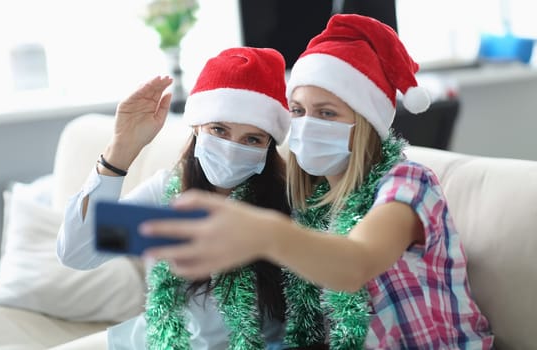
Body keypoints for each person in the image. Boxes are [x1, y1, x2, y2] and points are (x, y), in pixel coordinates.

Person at [139, 14, 494, 349]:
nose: (307, 124)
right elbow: (103, 235)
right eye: (297, 110)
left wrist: (264, 233)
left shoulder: (409, 183)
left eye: (326, 113)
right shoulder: (306, 200)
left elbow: (356, 263)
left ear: (365, 122)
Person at [57, 47, 292, 349]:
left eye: (252, 139)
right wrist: (121, 150)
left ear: (268, 147)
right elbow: (78, 253)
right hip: (155, 340)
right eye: (219, 130)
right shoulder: (167, 194)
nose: (232, 149)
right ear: (197, 128)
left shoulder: (287, 203)